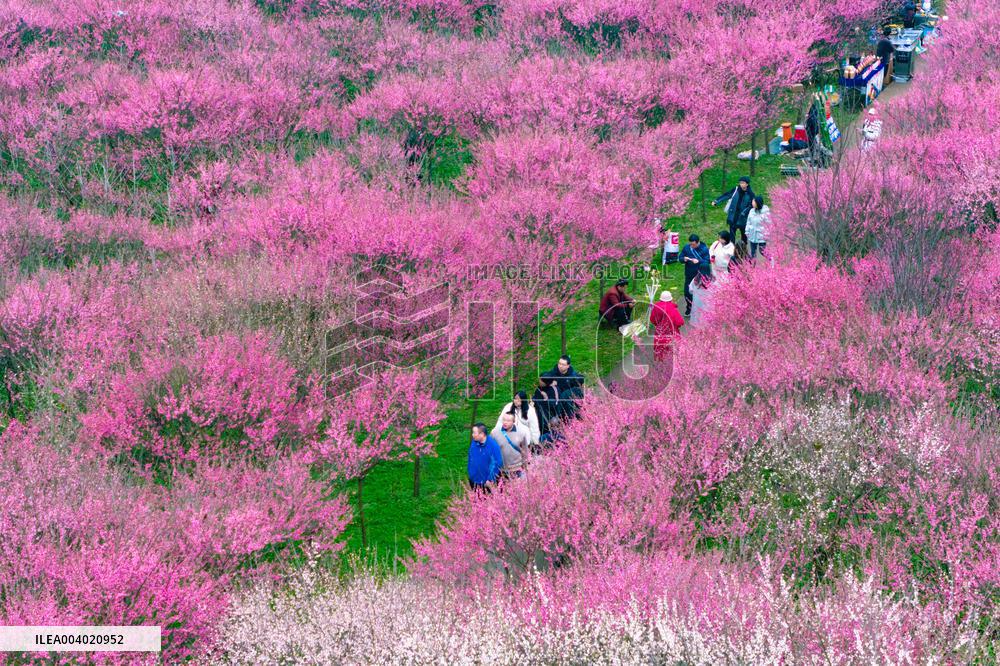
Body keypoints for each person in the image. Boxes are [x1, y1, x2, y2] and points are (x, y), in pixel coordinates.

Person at [711, 176, 755, 243]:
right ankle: (732, 248)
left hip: (743, 218)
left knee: (744, 236)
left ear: (747, 184)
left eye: (743, 183)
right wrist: (717, 201)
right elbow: (727, 195)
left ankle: (744, 248)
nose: (741, 184)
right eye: (740, 182)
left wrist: (745, 212)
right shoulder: (736, 190)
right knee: (732, 235)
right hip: (733, 216)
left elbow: (751, 206)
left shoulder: (750, 194)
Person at [544, 355, 584, 420]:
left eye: (563, 364)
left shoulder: (572, 375)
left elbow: (579, 383)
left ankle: (567, 419)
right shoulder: (554, 372)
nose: (560, 366)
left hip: (568, 399)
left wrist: (558, 383)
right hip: (556, 397)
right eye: (559, 363)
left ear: (568, 366)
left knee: (566, 396)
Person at [648, 289, 684, 361]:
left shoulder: (656, 307)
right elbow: (680, 322)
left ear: (660, 299)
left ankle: (662, 359)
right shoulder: (673, 308)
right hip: (672, 331)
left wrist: (657, 324)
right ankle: (673, 359)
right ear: (671, 299)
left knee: (660, 346)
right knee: (673, 347)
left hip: (660, 331)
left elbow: (652, 319)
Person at [680, 234, 711, 317]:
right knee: (687, 293)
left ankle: (700, 310)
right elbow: (680, 257)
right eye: (690, 244)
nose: (691, 246)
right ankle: (689, 308)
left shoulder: (704, 249)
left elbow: (707, 261)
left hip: (700, 275)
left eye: (693, 244)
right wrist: (684, 259)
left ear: (698, 242)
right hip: (689, 274)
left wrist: (698, 261)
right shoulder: (687, 247)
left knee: (699, 294)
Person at [467, 423, 503, 492]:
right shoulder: (474, 443)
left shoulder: (493, 446)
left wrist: (490, 479)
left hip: (487, 483)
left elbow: (497, 463)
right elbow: (470, 457)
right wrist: (470, 472)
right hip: (474, 480)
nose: (472, 435)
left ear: (482, 434)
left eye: (474, 433)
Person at [492, 412, 529, 479]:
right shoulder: (495, 432)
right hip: (501, 469)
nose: (505, 422)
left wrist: (525, 466)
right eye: (504, 420)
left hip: (516, 468)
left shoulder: (521, 433)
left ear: (513, 421)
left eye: (508, 421)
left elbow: (525, 450)